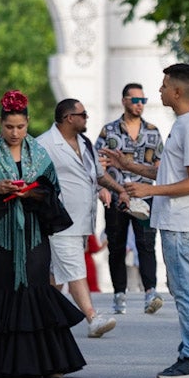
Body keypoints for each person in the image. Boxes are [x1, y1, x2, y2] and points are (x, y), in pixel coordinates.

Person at [0, 90, 87, 378]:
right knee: (5, 289)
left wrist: (32, 192)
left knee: (36, 289)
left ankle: (48, 363)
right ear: (0, 124)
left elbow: (52, 190)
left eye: (21, 127)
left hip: (34, 234)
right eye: (9, 127)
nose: (15, 133)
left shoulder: (39, 153)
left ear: (28, 124)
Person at [124, 64, 189, 378]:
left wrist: (150, 191)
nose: (159, 91)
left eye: (163, 86)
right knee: (180, 287)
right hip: (175, 221)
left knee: (185, 289)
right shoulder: (185, 124)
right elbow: (168, 173)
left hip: (181, 221)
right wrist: (129, 165)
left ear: (177, 91)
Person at [38, 98, 130, 338]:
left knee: (57, 275)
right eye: (83, 114)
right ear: (69, 117)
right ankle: (92, 317)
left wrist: (118, 189)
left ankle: (43, 318)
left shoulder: (85, 143)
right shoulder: (44, 145)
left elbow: (98, 176)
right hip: (59, 222)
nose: (86, 118)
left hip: (83, 222)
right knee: (75, 268)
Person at [96, 83, 165, 316]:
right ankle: (119, 294)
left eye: (143, 101)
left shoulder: (153, 132)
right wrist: (102, 188)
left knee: (146, 243)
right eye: (135, 100)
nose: (139, 105)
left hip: (144, 196)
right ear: (124, 101)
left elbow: (160, 165)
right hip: (117, 196)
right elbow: (97, 164)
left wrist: (157, 190)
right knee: (116, 245)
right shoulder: (109, 131)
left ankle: (150, 292)